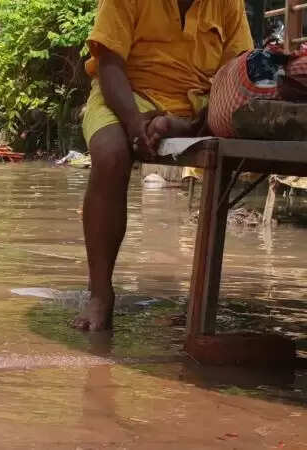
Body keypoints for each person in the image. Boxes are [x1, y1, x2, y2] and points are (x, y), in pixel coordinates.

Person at [75, 0, 253, 331]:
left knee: (227, 146)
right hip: (127, 93)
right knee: (109, 154)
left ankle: (200, 305)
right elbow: (109, 63)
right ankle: (100, 294)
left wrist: (205, 118)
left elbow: (237, 73)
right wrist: (132, 124)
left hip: (197, 105)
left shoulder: (230, 3)